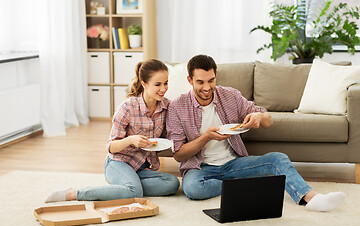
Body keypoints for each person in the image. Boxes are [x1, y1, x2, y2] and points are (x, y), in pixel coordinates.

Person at [166, 54, 345, 212]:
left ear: (215, 76)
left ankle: (312, 198)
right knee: (192, 189)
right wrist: (206, 137)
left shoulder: (229, 95)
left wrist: (258, 117)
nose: (207, 87)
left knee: (278, 159)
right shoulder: (177, 107)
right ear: (190, 80)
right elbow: (179, 155)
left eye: (211, 80)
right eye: (200, 82)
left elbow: (268, 119)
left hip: (234, 164)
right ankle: (244, 186)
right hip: (201, 169)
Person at [46, 59, 180, 202]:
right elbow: (111, 147)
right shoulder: (127, 107)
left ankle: (126, 187)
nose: (163, 89)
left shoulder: (167, 107)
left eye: (166, 83)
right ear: (144, 84)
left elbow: (166, 138)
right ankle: (75, 193)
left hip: (142, 167)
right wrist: (131, 140)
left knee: (173, 183)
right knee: (134, 193)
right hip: (118, 163)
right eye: (158, 84)